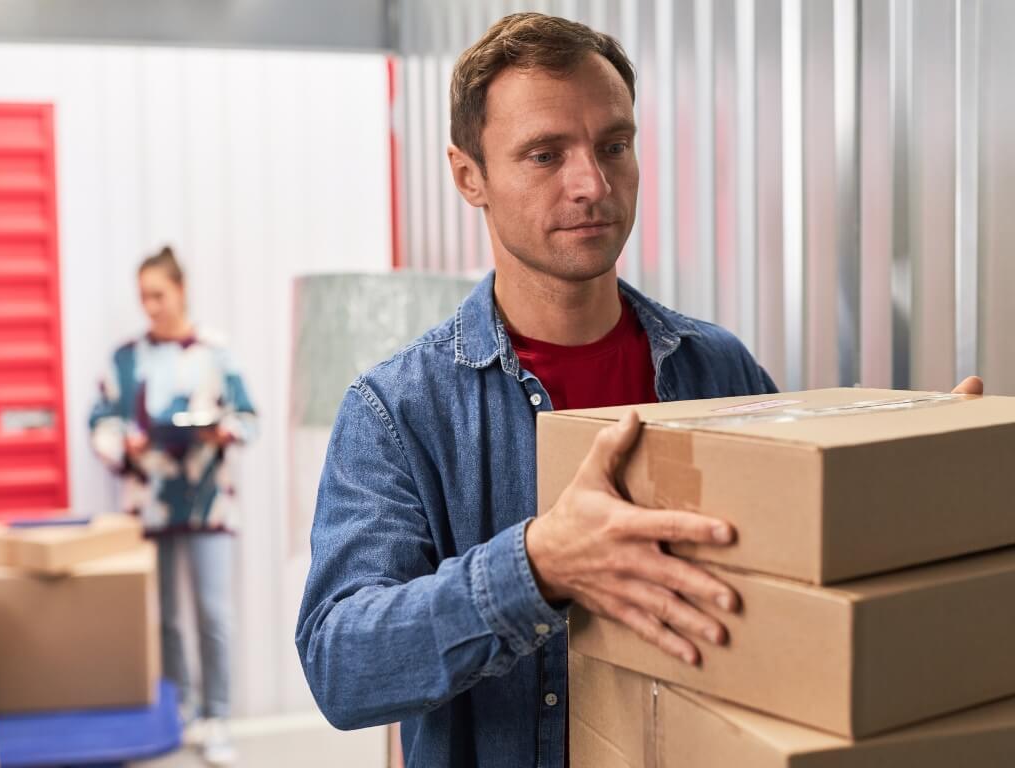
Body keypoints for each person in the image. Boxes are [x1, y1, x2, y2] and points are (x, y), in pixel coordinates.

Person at [296, 14, 983, 768]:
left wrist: (924, 482)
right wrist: (538, 566)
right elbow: (340, 664)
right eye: (545, 154)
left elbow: (798, 569)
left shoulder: (716, 369)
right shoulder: (397, 412)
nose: (591, 183)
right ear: (470, 177)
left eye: (613, 146)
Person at [90, 245, 256, 767]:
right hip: (152, 504)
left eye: (158, 294)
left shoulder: (215, 351)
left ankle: (218, 717)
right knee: (164, 618)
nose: (151, 306)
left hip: (208, 503)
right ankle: (180, 710)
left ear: (181, 291)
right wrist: (126, 444)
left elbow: (247, 418)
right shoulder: (126, 357)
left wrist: (218, 430)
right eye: (143, 297)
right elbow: (102, 422)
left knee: (213, 613)